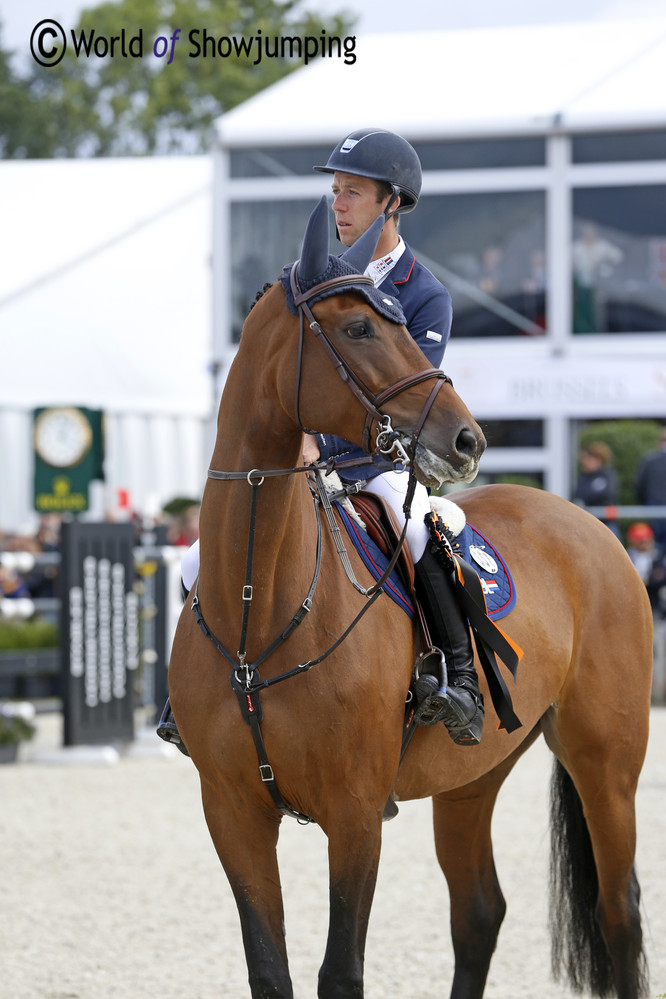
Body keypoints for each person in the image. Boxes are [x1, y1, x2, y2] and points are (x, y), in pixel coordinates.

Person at [158, 128, 484, 752]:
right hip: (299, 465)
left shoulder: (425, 293)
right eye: (335, 191)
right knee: (196, 558)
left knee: (421, 530)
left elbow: (405, 409)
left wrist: (322, 450)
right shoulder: (310, 279)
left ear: (392, 203)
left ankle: (458, 676)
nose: (338, 204)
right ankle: (190, 690)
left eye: (353, 192)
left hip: (376, 463)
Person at [572, 441, 620, 536]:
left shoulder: (606, 476)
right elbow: (576, 496)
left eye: (587, 458)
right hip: (587, 524)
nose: (584, 462)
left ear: (598, 460)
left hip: (606, 524)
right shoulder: (584, 478)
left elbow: (606, 494)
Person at [635, 426, 666, 548]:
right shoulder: (649, 460)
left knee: (657, 545)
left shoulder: (649, 460)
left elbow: (639, 485)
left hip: (653, 507)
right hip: (654, 506)